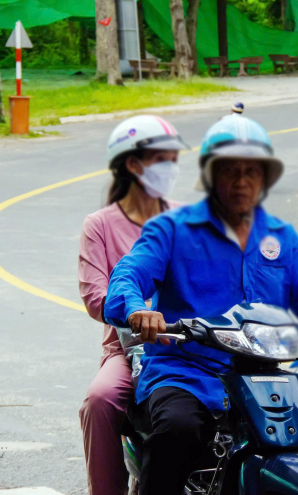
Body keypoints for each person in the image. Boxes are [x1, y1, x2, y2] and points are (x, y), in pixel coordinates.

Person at [103, 115, 298, 494]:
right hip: (186, 371)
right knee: (177, 431)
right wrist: (135, 309)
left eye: (252, 171)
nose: (241, 180)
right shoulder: (172, 230)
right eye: (230, 170)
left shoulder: (281, 238)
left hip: (260, 377)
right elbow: (128, 274)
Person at [78, 114, 188, 495]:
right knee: (101, 399)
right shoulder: (100, 225)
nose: (171, 168)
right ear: (133, 163)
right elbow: (95, 297)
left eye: (174, 160)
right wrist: (136, 311)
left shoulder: (185, 218)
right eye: (163, 159)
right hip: (129, 351)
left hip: (193, 346)